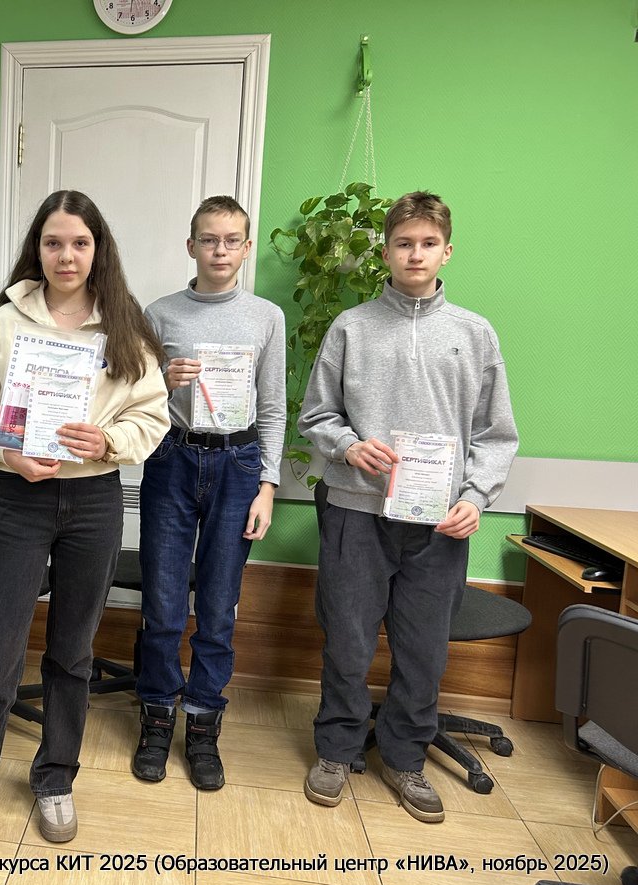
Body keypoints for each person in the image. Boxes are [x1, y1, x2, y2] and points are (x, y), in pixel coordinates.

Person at [0, 190, 169, 867]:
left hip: (93, 501)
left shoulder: (125, 324)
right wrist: (7, 453)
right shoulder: (10, 320)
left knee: (72, 651)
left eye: (80, 243)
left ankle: (55, 777)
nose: (66, 255)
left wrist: (108, 441)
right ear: (38, 247)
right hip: (21, 499)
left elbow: (152, 415)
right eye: (54, 242)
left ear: (97, 250)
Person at [298, 190, 518, 823]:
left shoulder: (475, 334)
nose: (415, 254)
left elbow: (496, 434)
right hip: (357, 512)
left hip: (438, 523)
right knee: (347, 641)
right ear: (386, 253)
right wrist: (348, 446)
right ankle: (336, 750)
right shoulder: (351, 327)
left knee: (423, 650)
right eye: (403, 243)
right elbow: (317, 414)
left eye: (427, 243)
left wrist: (475, 497)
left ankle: (405, 757)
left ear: (447, 251)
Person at [132, 196, 286, 790]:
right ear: (190, 245)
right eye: (208, 239)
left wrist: (267, 485)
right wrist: (160, 378)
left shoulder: (266, 317)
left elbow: (273, 407)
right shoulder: (160, 313)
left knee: (219, 605)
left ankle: (202, 722)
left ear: (246, 249)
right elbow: (132, 394)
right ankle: (156, 715)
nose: (219, 250)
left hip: (238, 464)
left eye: (231, 240)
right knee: (164, 601)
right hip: (171, 457)